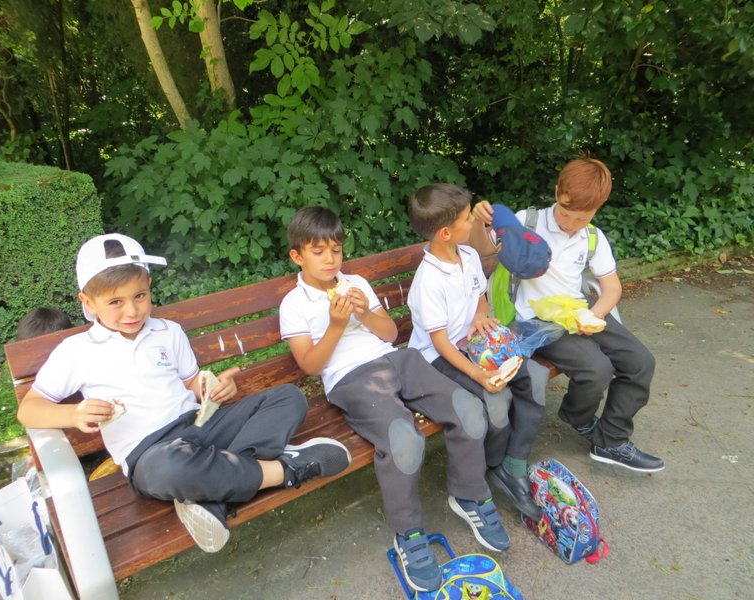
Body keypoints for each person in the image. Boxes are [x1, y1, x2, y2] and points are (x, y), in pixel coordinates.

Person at [16, 233, 351, 553]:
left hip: (202, 426)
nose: (132, 311)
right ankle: (287, 470)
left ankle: (212, 495)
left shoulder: (168, 331)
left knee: (288, 397)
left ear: (149, 286)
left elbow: (193, 383)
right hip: (151, 453)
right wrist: (73, 414)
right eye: (115, 302)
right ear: (88, 302)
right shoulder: (75, 351)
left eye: (140, 296)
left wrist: (213, 387)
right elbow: (29, 409)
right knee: (170, 470)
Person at [279, 207, 502, 593]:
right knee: (404, 440)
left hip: (398, 360)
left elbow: (388, 334)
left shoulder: (356, 284)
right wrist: (335, 325)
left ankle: (469, 496)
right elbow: (311, 366)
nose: (330, 259)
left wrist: (364, 314)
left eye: (336, 250)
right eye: (318, 252)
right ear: (297, 256)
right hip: (351, 379)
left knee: (469, 410)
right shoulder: (293, 304)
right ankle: (409, 534)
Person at [469, 157, 664, 473]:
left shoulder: (592, 237)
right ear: (557, 192)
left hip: (579, 312)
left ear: (597, 209)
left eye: (582, 218)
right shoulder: (527, 221)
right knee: (597, 369)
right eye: (565, 214)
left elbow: (611, 287)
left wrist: (595, 314)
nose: (570, 224)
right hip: (537, 322)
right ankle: (579, 418)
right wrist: (479, 222)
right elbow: (482, 250)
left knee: (641, 362)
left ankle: (610, 440)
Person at [406, 183, 545, 524]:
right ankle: (492, 465)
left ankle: (513, 462)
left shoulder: (467, 256)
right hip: (441, 357)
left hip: (475, 343)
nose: (473, 224)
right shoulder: (428, 281)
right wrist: (478, 375)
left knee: (536, 378)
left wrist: (481, 316)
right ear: (445, 232)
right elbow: (440, 343)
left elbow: (480, 297)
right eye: (468, 219)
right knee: (497, 400)